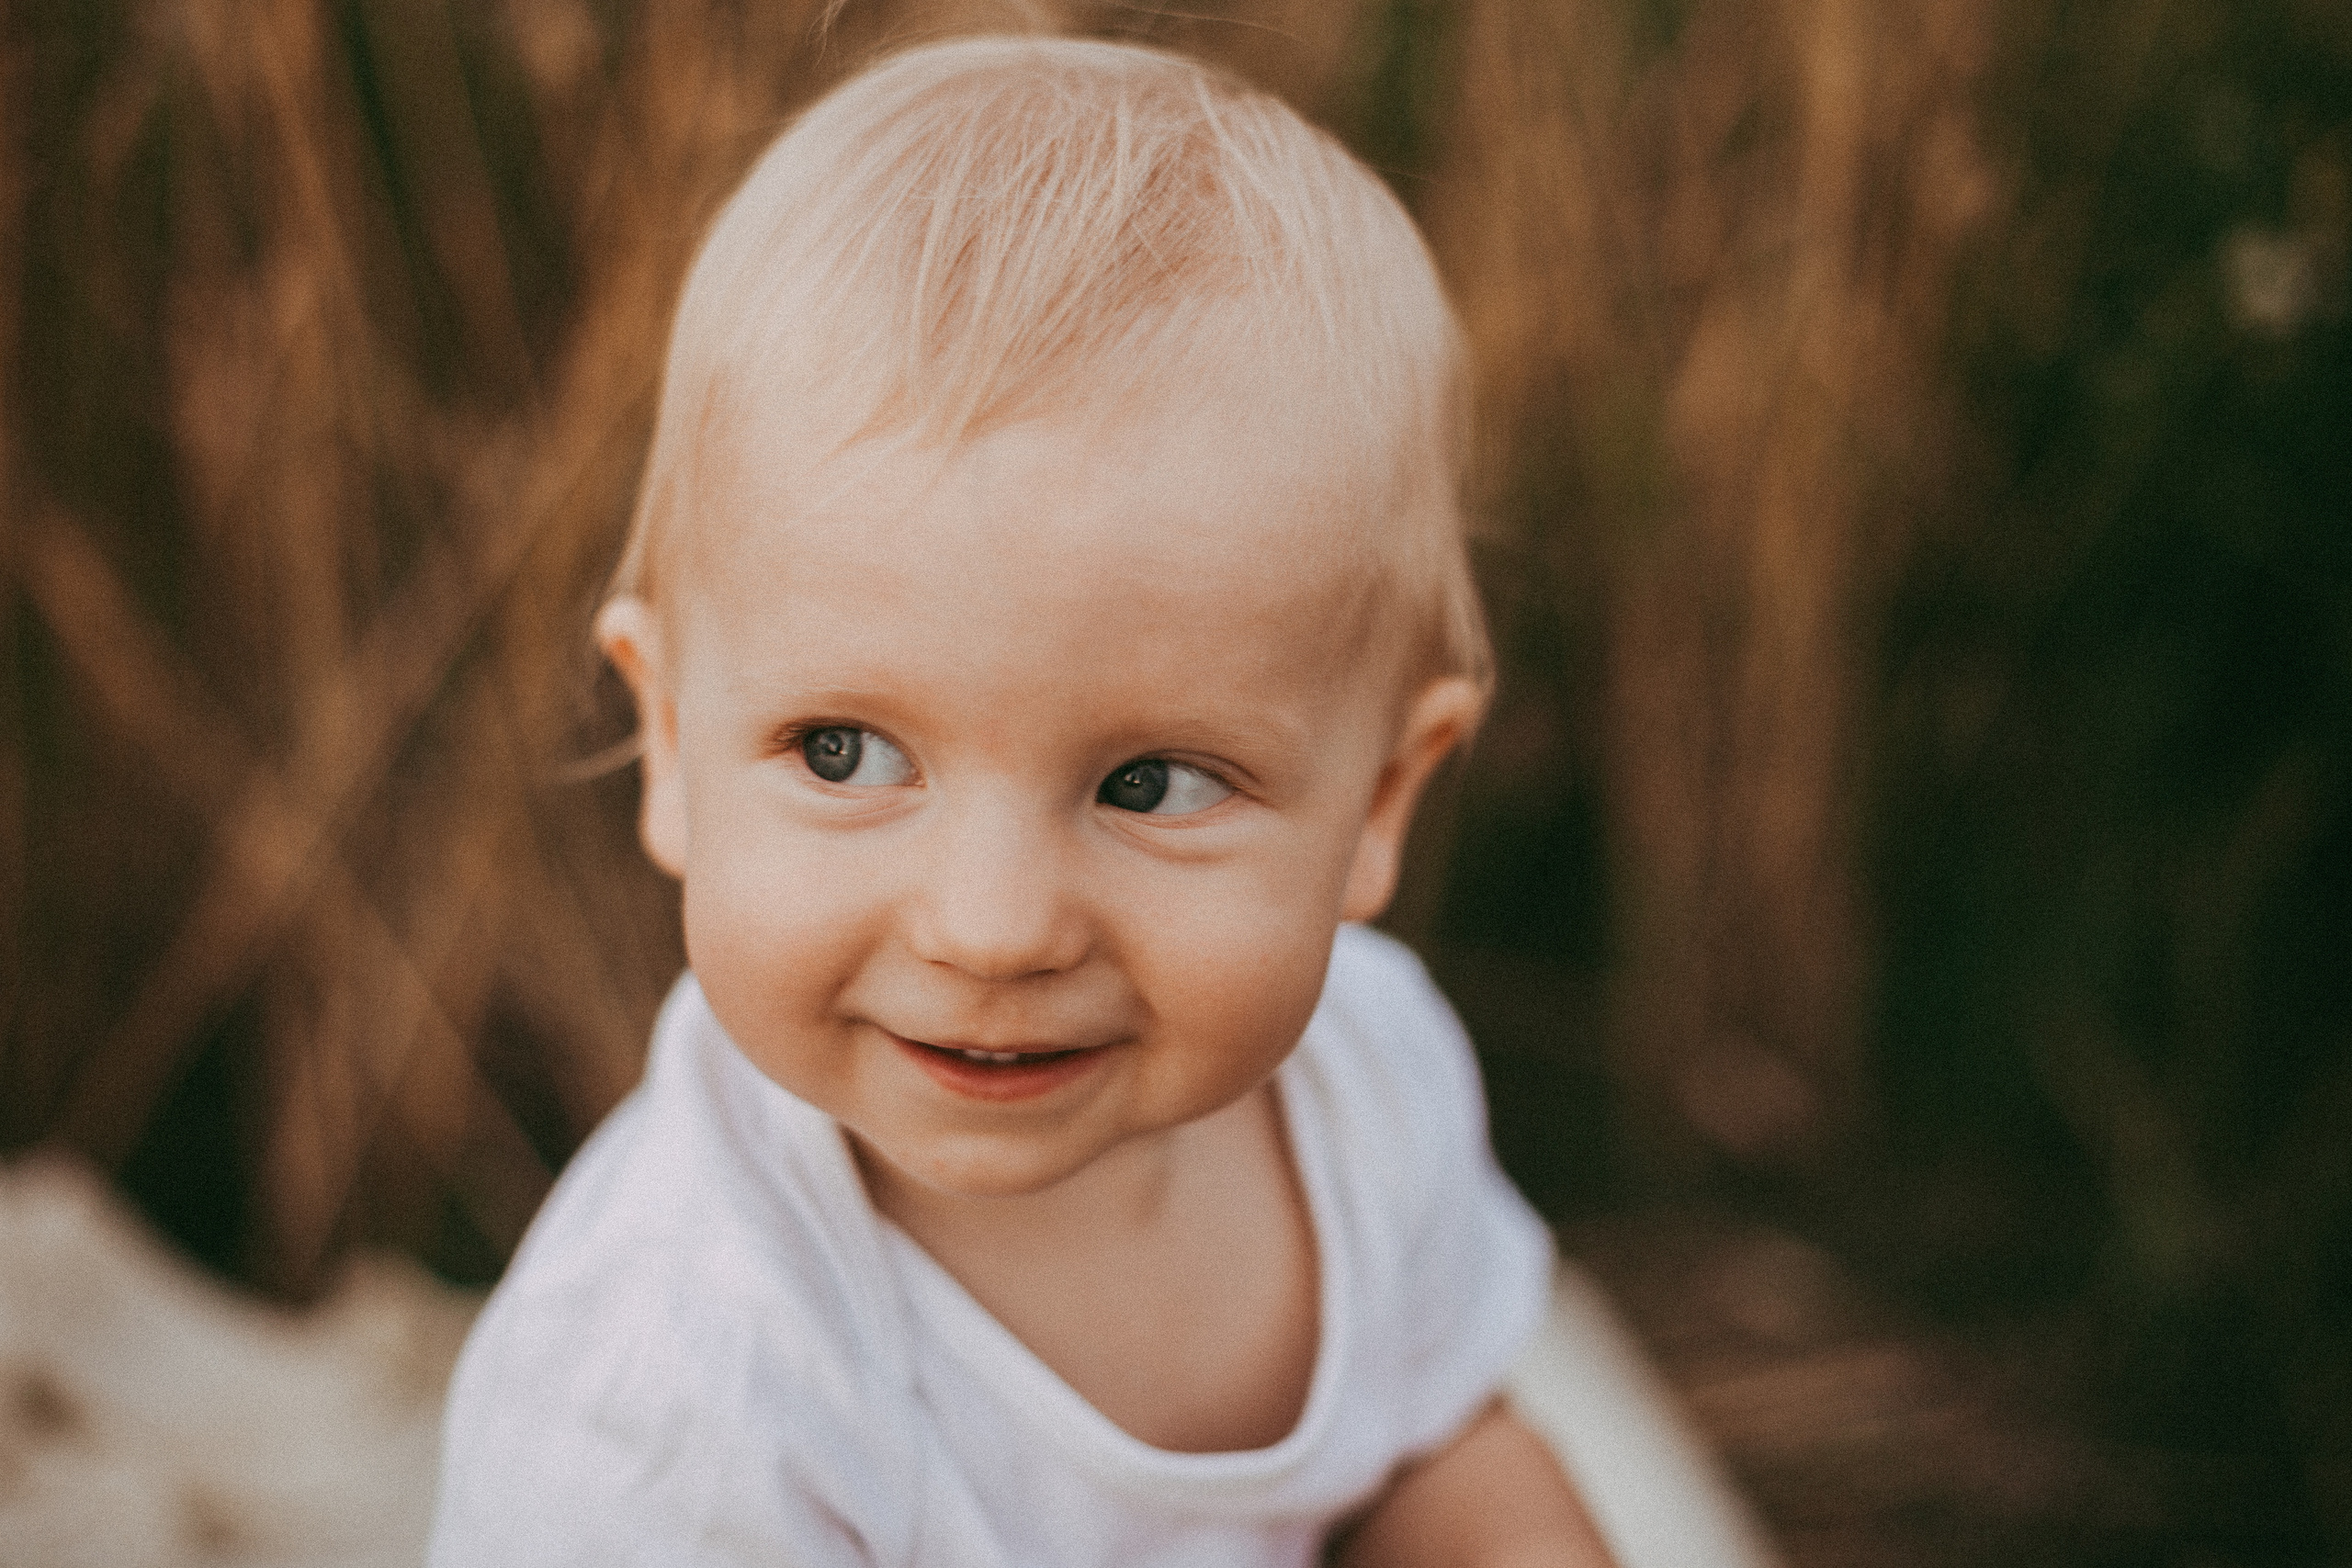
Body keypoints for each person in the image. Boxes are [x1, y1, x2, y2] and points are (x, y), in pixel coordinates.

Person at [429, 34, 1619, 1567]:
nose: (992, 928)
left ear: (1380, 801)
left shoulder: (1365, 1088)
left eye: (1154, 783)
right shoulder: (675, 1410)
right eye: (847, 754)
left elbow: (1434, 1450)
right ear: (668, 742)